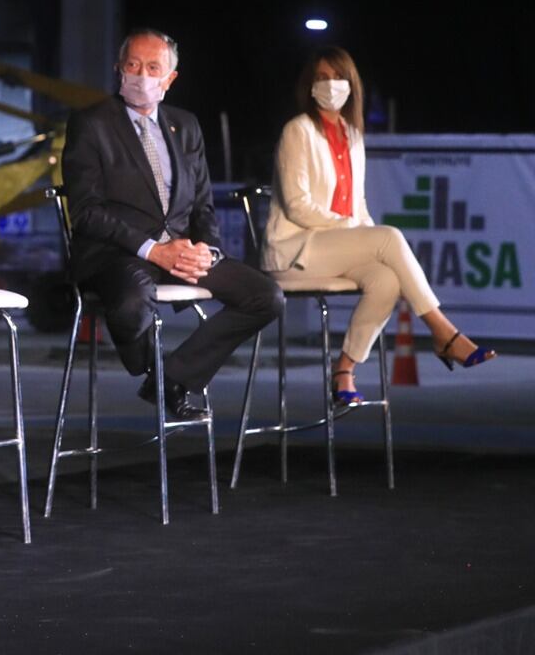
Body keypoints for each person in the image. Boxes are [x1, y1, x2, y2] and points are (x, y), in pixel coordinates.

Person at [62, 28, 283, 419]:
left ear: (170, 78)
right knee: (132, 305)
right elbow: (86, 211)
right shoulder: (91, 123)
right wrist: (154, 250)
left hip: (181, 251)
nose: (141, 76)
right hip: (120, 254)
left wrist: (206, 251)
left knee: (265, 297)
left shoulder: (186, 125)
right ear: (119, 69)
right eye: (133, 65)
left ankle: (169, 380)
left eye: (152, 67)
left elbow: (202, 204)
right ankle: (164, 380)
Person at [264, 47, 496, 405]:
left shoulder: (352, 135)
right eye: (321, 78)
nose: (330, 85)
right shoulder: (298, 130)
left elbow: (359, 205)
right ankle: (442, 332)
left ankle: (344, 370)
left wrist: (362, 231)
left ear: (352, 85)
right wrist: (356, 229)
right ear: (309, 86)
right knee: (389, 236)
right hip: (298, 249)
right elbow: (297, 207)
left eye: (337, 78)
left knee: (386, 279)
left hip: (334, 245)